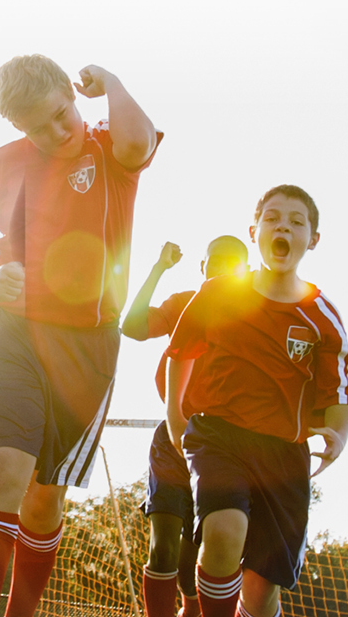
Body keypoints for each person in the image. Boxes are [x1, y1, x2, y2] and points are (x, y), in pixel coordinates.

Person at [0, 54, 160, 617]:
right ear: (19, 128)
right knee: (5, 471)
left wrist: (111, 81)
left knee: (45, 498)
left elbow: (140, 144)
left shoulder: (109, 149)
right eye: (37, 127)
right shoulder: (1, 166)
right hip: (14, 332)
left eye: (61, 114)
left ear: (73, 94)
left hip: (89, 347)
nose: (56, 131)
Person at [165, 185, 348, 617]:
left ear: (313, 239)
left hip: (284, 455)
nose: (282, 226)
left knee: (260, 590)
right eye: (272, 218)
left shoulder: (321, 314)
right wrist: (176, 418)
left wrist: (339, 436)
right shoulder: (219, 293)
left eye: (295, 221)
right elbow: (181, 352)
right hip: (218, 435)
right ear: (254, 232)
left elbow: (342, 390)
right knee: (223, 530)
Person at [122, 237, 249, 617]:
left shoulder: (257, 316)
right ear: (202, 267)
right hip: (173, 437)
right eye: (216, 262)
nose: (224, 269)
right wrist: (159, 268)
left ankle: (192, 608)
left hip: (224, 447)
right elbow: (132, 327)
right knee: (163, 544)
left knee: (202, 549)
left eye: (233, 264)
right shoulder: (185, 304)